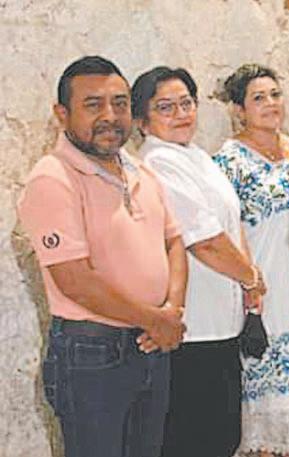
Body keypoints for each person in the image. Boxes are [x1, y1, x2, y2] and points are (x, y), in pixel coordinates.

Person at [18, 55, 187, 457]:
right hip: (92, 356)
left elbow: (174, 242)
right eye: (93, 105)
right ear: (62, 114)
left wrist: (172, 310)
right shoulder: (52, 178)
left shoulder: (140, 170)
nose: (110, 116)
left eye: (120, 103)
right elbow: (74, 280)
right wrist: (156, 320)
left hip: (151, 345)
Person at [134, 66, 266, 457]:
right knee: (194, 438)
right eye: (165, 107)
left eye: (186, 103)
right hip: (195, 327)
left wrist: (250, 281)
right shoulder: (158, 162)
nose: (181, 114)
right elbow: (205, 241)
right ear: (142, 121)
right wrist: (250, 278)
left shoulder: (195, 155)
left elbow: (231, 223)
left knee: (223, 435)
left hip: (224, 321)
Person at [213, 63, 289, 457]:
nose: (271, 103)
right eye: (258, 98)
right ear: (239, 109)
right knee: (261, 378)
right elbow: (225, 230)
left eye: (275, 94)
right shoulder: (229, 161)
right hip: (259, 285)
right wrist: (248, 283)